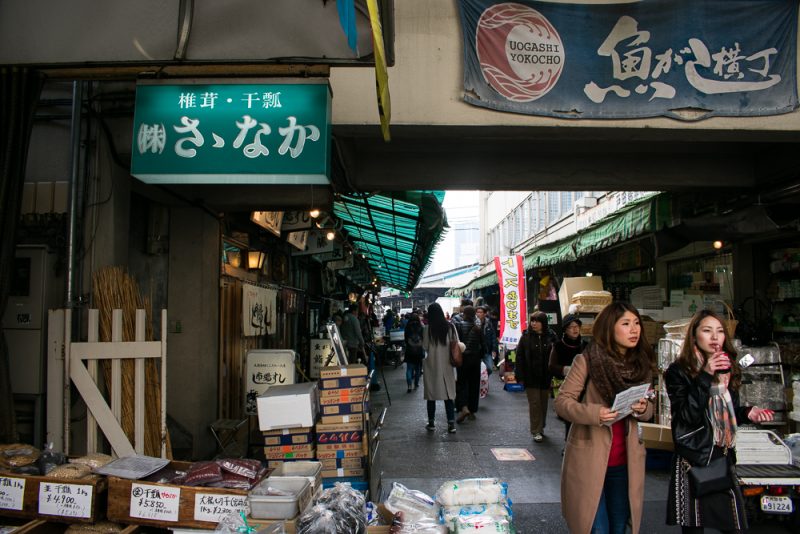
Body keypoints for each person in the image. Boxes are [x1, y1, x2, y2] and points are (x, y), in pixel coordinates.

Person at [665, 309, 774, 534]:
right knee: (694, 525)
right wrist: (705, 375)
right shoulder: (678, 371)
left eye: (720, 332)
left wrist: (748, 413)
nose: (715, 338)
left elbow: (729, 410)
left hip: (722, 453)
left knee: (734, 523)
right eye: (707, 331)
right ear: (694, 336)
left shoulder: (728, 367)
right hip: (694, 455)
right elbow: (686, 416)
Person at [554, 302, 654, 534]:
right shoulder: (588, 360)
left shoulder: (640, 364)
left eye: (637, 323)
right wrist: (593, 413)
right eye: (626, 324)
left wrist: (642, 408)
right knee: (596, 527)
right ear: (610, 328)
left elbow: (650, 411)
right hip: (590, 458)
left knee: (619, 527)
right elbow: (562, 402)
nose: (634, 330)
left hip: (625, 462)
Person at [515, 311, 555, 442]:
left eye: (537, 321)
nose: (534, 323)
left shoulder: (551, 336)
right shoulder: (526, 337)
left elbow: (556, 355)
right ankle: (536, 430)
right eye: (532, 321)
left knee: (544, 403)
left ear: (543, 323)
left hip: (546, 376)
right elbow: (519, 356)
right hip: (530, 376)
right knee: (535, 403)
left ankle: (541, 426)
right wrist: (519, 375)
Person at [548, 314, 588, 439]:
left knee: (583, 417)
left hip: (585, 387)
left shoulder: (586, 345)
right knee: (569, 416)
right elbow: (552, 366)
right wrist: (568, 370)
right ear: (565, 329)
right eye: (571, 327)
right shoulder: (558, 345)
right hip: (565, 386)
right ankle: (568, 442)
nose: (575, 329)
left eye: (577, 326)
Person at [422, 303, 458, 433]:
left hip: (432, 365)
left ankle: (431, 423)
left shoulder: (427, 329)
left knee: (431, 395)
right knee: (449, 395)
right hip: (447, 364)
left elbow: (425, 346)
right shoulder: (450, 327)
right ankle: (451, 424)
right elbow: (456, 344)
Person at [453, 305, 486, 423]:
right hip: (475, 360)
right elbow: (484, 345)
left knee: (461, 383)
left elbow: (456, 343)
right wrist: (480, 356)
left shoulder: (459, 326)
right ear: (474, 315)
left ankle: (463, 407)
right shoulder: (478, 328)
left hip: (463, 359)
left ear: (465, 314)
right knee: (474, 384)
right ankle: (472, 409)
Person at [404, 312, 425, 392]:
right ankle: (416, 384)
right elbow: (423, 338)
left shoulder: (407, 326)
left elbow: (405, 339)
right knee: (418, 368)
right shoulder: (421, 326)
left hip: (409, 350)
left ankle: (409, 386)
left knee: (409, 369)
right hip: (419, 350)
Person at [476, 306, 498, 376]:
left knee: (489, 368)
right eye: (477, 312)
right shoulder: (474, 322)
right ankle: (480, 382)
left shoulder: (489, 323)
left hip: (487, 349)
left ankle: (484, 379)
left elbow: (493, 337)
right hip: (476, 350)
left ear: (485, 314)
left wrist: (494, 349)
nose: (478, 314)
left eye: (480, 312)